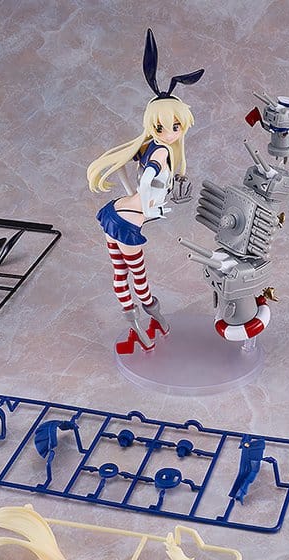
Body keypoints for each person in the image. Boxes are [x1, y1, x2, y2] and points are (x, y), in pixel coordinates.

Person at [87, 29, 203, 350]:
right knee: (138, 278)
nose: (171, 132)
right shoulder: (161, 151)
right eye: (165, 127)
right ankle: (148, 326)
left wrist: (142, 197)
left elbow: (127, 166)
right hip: (129, 221)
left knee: (120, 273)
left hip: (117, 211)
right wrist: (151, 203)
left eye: (175, 126)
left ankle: (149, 324)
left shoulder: (149, 144)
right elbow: (149, 174)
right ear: (154, 125)